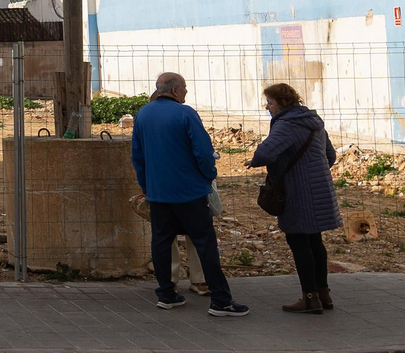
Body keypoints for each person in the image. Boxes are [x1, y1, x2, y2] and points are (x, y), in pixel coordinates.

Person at [130, 72, 248, 316]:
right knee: (204, 243)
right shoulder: (186, 114)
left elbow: (138, 156)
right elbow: (203, 152)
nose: (186, 92)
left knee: (161, 241)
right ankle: (221, 300)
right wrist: (208, 175)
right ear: (175, 90)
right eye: (184, 88)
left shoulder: (143, 114)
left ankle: (166, 294)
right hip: (188, 192)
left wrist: (146, 187)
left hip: (158, 192)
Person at [249, 81, 340, 314]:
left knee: (299, 242)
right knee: (314, 242)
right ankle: (323, 294)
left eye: (270, 102)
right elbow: (330, 155)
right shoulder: (313, 122)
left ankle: (309, 299)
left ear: (282, 103)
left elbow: (264, 153)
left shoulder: (287, 124)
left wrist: (260, 161)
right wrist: (313, 172)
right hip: (320, 191)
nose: (267, 107)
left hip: (298, 193)